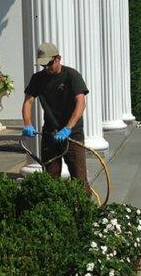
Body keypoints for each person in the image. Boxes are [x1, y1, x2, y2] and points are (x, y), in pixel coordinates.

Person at [21, 42, 91, 195]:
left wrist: (68, 128)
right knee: (50, 178)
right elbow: (28, 102)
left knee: (79, 178)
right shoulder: (38, 79)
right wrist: (27, 124)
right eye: (43, 65)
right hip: (50, 134)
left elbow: (80, 102)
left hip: (72, 134)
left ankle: (85, 211)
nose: (46, 68)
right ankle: (53, 212)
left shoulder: (71, 76)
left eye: (49, 64)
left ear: (58, 58)